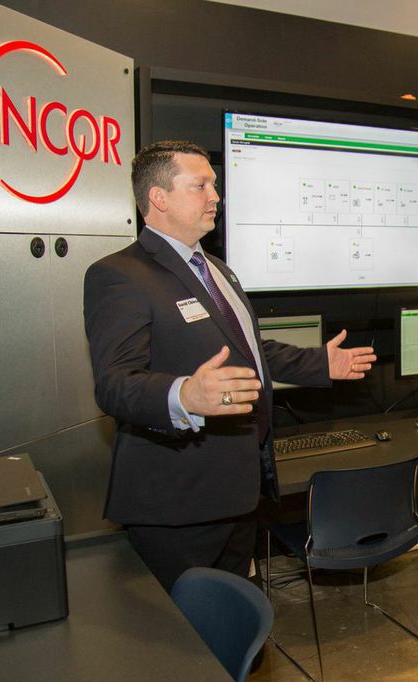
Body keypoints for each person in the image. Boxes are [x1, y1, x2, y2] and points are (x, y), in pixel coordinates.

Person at [83, 140, 377, 592]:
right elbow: (114, 383)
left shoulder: (218, 269)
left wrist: (319, 363)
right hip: (178, 505)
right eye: (200, 185)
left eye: (214, 186)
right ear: (159, 198)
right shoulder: (120, 274)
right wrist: (184, 395)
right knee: (189, 646)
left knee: (236, 628)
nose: (215, 196)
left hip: (239, 492)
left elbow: (249, 349)